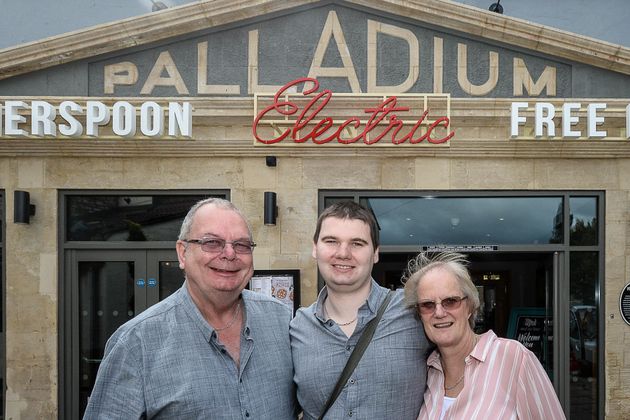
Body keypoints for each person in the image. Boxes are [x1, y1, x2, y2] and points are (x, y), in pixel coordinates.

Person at [84, 198, 298, 419]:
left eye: (241, 245)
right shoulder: (135, 343)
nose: (229, 254)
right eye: (211, 243)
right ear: (182, 253)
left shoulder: (280, 320)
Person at [290, 201, 431, 419]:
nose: (343, 253)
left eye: (357, 243)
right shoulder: (297, 328)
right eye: (331, 241)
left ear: (375, 253)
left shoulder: (413, 311)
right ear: (315, 248)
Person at [403, 251, 566, 420]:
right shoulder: (429, 373)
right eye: (427, 305)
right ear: (419, 314)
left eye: (450, 301)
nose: (439, 312)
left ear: (470, 307)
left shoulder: (514, 358)